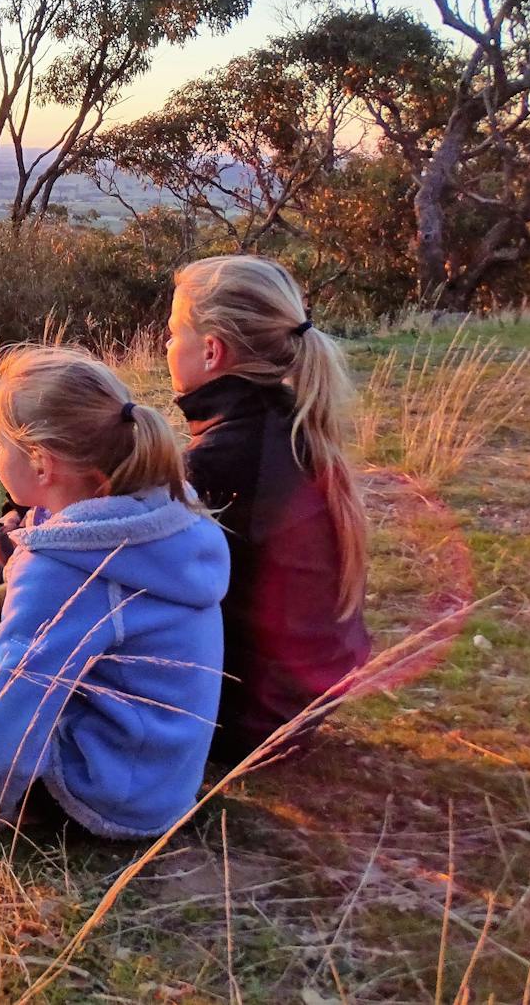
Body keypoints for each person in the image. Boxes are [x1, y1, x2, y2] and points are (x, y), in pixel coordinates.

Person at [0, 345, 230, 842]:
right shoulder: (149, 518)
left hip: (104, 795)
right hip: (150, 772)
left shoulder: (63, 570)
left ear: (40, 464)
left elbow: (22, 695)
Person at [168, 255, 370, 764]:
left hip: (242, 721)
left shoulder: (221, 459)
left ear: (211, 351)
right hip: (293, 706)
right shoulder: (293, 427)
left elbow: (130, 580)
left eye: (174, 333)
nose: (167, 345)